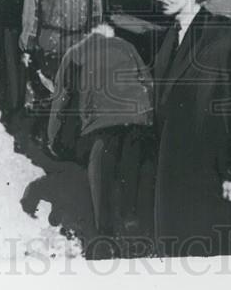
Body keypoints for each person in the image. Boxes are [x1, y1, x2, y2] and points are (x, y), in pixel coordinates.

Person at [151, 0, 231, 257]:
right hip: (171, 164)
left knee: (206, 250)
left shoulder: (224, 35)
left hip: (208, 169)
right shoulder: (169, 34)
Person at [48, 17, 156, 259]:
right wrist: (150, 120)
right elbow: (148, 83)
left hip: (102, 124)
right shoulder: (128, 47)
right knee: (132, 179)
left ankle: (104, 237)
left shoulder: (76, 52)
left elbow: (61, 99)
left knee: (101, 179)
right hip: (137, 122)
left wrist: (53, 137)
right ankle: (133, 231)